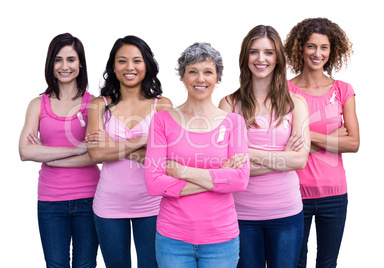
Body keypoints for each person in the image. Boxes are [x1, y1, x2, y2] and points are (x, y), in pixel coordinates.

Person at [144, 42, 250, 268]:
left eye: (208, 72)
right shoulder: (162, 121)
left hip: (221, 239)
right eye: (192, 71)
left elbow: (240, 180)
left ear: (218, 78)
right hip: (173, 238)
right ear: (182, 77)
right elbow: (153, 184)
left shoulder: (234, 122)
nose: (200, 79)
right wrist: (220, 175)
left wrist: (183, 172)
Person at [219, 25, 310, 268]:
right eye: (254, 52)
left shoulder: (296, 104)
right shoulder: (228, 104)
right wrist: (283, 160)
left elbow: (300, 161)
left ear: (278, 58)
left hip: (286, 213)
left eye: (269, 52)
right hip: (240, 215)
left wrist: (245, 154)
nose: (261, 59)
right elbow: (224, 166)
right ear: (244, 57)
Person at [84, 35, 172, 268]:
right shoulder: (99, 104)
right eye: (122, 61)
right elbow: (96, 155)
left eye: (137, 60)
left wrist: (112, 147)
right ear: (113, 66)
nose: (129, 67)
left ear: (147, 65)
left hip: (153, 202)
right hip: (109, 204)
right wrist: (144, 139)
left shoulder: (162, 105)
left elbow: (162, 159)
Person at [19, 33, 100, 268]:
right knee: (56, 265)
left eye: (71, 59)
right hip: (50, 201)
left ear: (80, 63)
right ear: (50, 64)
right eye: (58, 59)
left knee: (85, 265)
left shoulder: (94, 104)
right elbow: (25, 151)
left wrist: (47, 154)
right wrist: (78, 148)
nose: (64, 66)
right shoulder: (38, 104)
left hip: (90, 198)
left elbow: (96, 154)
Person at [284, 18, 360, 268]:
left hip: (335, 194)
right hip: (294, 192)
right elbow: (283, 144)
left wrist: (307, 136)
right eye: (311, 46)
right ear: (300, 48)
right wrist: (332, 137)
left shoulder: (342, 90)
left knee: (327, 263)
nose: (318, 53)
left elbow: (353, 143)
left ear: (332, 50)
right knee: (295, 262)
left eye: (324, 47)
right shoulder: (285, 91)